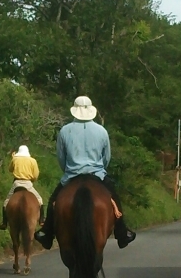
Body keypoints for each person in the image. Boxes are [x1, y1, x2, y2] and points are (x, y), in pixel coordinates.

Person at [34, 95, 136, 249]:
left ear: (74, 110)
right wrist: (100, 169)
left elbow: (61, 158)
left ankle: (47, 233)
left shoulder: (64, 131)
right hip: (97, 175)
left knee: (53, 201)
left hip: (71, 175)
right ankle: (122, 233)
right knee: (115, 200)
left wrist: (69, 171)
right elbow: (106, 158)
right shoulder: (101, 131)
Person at [0, 145, 44, 230]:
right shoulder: (33, 161)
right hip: (28, 183)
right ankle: (42, 220)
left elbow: (10, 169)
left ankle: (4, 222)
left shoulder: (15, 159)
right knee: (40, 200)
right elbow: (35, 175)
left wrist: (13, 159)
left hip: (17, 183)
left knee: (6, 203)